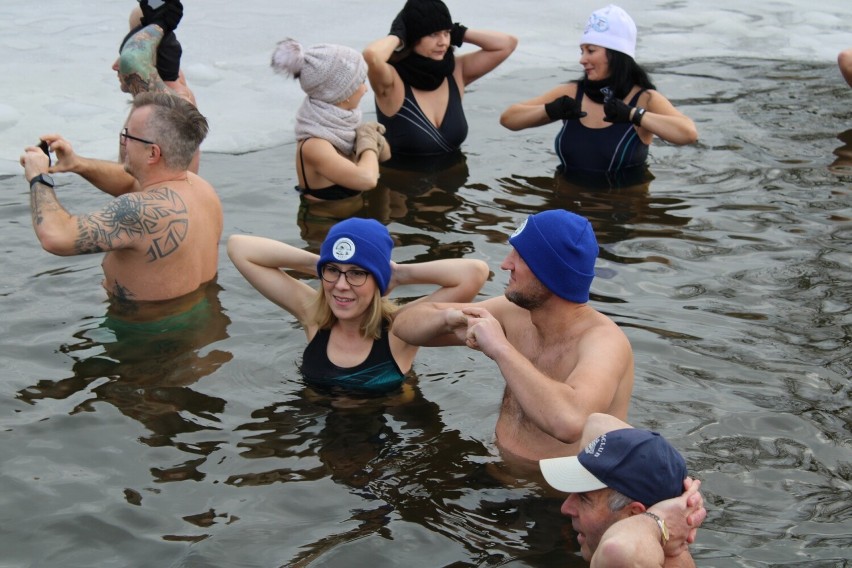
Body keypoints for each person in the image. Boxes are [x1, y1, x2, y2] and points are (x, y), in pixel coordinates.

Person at [392, 209, 634, 463]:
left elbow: (569, 422)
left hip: (559, 496)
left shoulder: (604, 342)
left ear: (550, 271)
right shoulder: (515, 314)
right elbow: (403, 325)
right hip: (496, 471)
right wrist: (450, 317)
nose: (506, 264)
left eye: (520, 256)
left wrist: (500, 348)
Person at [227, 217, 489, 394]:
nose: (341, 285)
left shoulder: (403, 327)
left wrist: (396, 274)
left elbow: (474, 272)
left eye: (357, 273)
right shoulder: (315, 317)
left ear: (378, 279)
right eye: (333, 271)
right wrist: (319, 264)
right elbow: (240, 247)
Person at [21, 92, 222, 303]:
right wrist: (76, 164)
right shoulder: (201, 188)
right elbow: (129, 182)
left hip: (143, 331)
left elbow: (56, 237)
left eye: (128, 136)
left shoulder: (139, 210)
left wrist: (38, 177)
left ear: (152, 153)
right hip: (197, 319)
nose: (123, 141)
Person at [500, 5, 697, 182]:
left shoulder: (645, 99)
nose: (582, 60)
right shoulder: (571, 92)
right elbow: (509, 119)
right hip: (567, 203)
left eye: (591, 51)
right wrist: (550, 110)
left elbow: (688, 134)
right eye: (581, 51)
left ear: (616, 54)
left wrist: (633, 115)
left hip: (620, 210)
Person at [539, 412, 705, 567]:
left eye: (583, 498)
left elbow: (616, 550)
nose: (566, 508)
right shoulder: (666, 546)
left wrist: (659, 521)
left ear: (634, 514)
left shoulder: (619, 558)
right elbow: (595, 422)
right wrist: (681, 493)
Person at [363, 0, 517, 160]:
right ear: (413, 36)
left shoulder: (456, 70)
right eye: (433, 34)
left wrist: (458, 32)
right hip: (402, 183)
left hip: (455, 183)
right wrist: (398, 36)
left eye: (446, 32)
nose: (443, 42)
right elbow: (371, 56)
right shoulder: (392, 81)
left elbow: (507, 44)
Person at [271, 39, 391, 202]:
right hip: (325, 226)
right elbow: (367, 180)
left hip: (352, 218)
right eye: (361, 82)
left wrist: (370, 138)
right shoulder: (315, 145)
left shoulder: (343, 127)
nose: (365, 89)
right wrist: (368, 140)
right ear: (343, 93)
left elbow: (387, 156)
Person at [114, 0, 196, 106]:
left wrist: (161, 24)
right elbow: (138, 15)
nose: (114, 66)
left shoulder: (172, 106)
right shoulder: (170, 71)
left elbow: (130, 60)